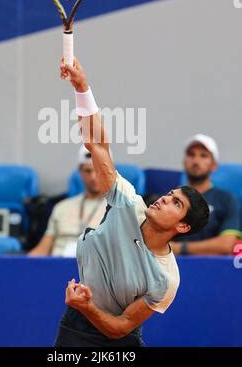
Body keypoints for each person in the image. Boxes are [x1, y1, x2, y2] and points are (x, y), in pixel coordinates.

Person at [54, 57, 209, 347]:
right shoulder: (127, 202)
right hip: (77, 328)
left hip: (121, 338)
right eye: (170, 194)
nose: (165, 198)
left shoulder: (165, 279)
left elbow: (121, 326)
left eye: (175, 204)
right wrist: (82, 87)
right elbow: (97, 144)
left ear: (183, 226)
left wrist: (88, 306)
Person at [28, 145, 107, 257]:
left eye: (98, 170)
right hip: (58, 268)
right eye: (88, 171)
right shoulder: (61, 207)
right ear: (80, 171)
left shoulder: (118, 209)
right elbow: (43, 248)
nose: (93, 177)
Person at [171, 134, 240, 255]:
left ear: (214, 165)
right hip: (169, 267)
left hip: (211, 267)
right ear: (184, 161)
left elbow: (226, 245)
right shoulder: (168, 198)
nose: (196, 161)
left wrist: (179, 248)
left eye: (203, 156)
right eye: (191, 154)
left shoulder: (227, 200)